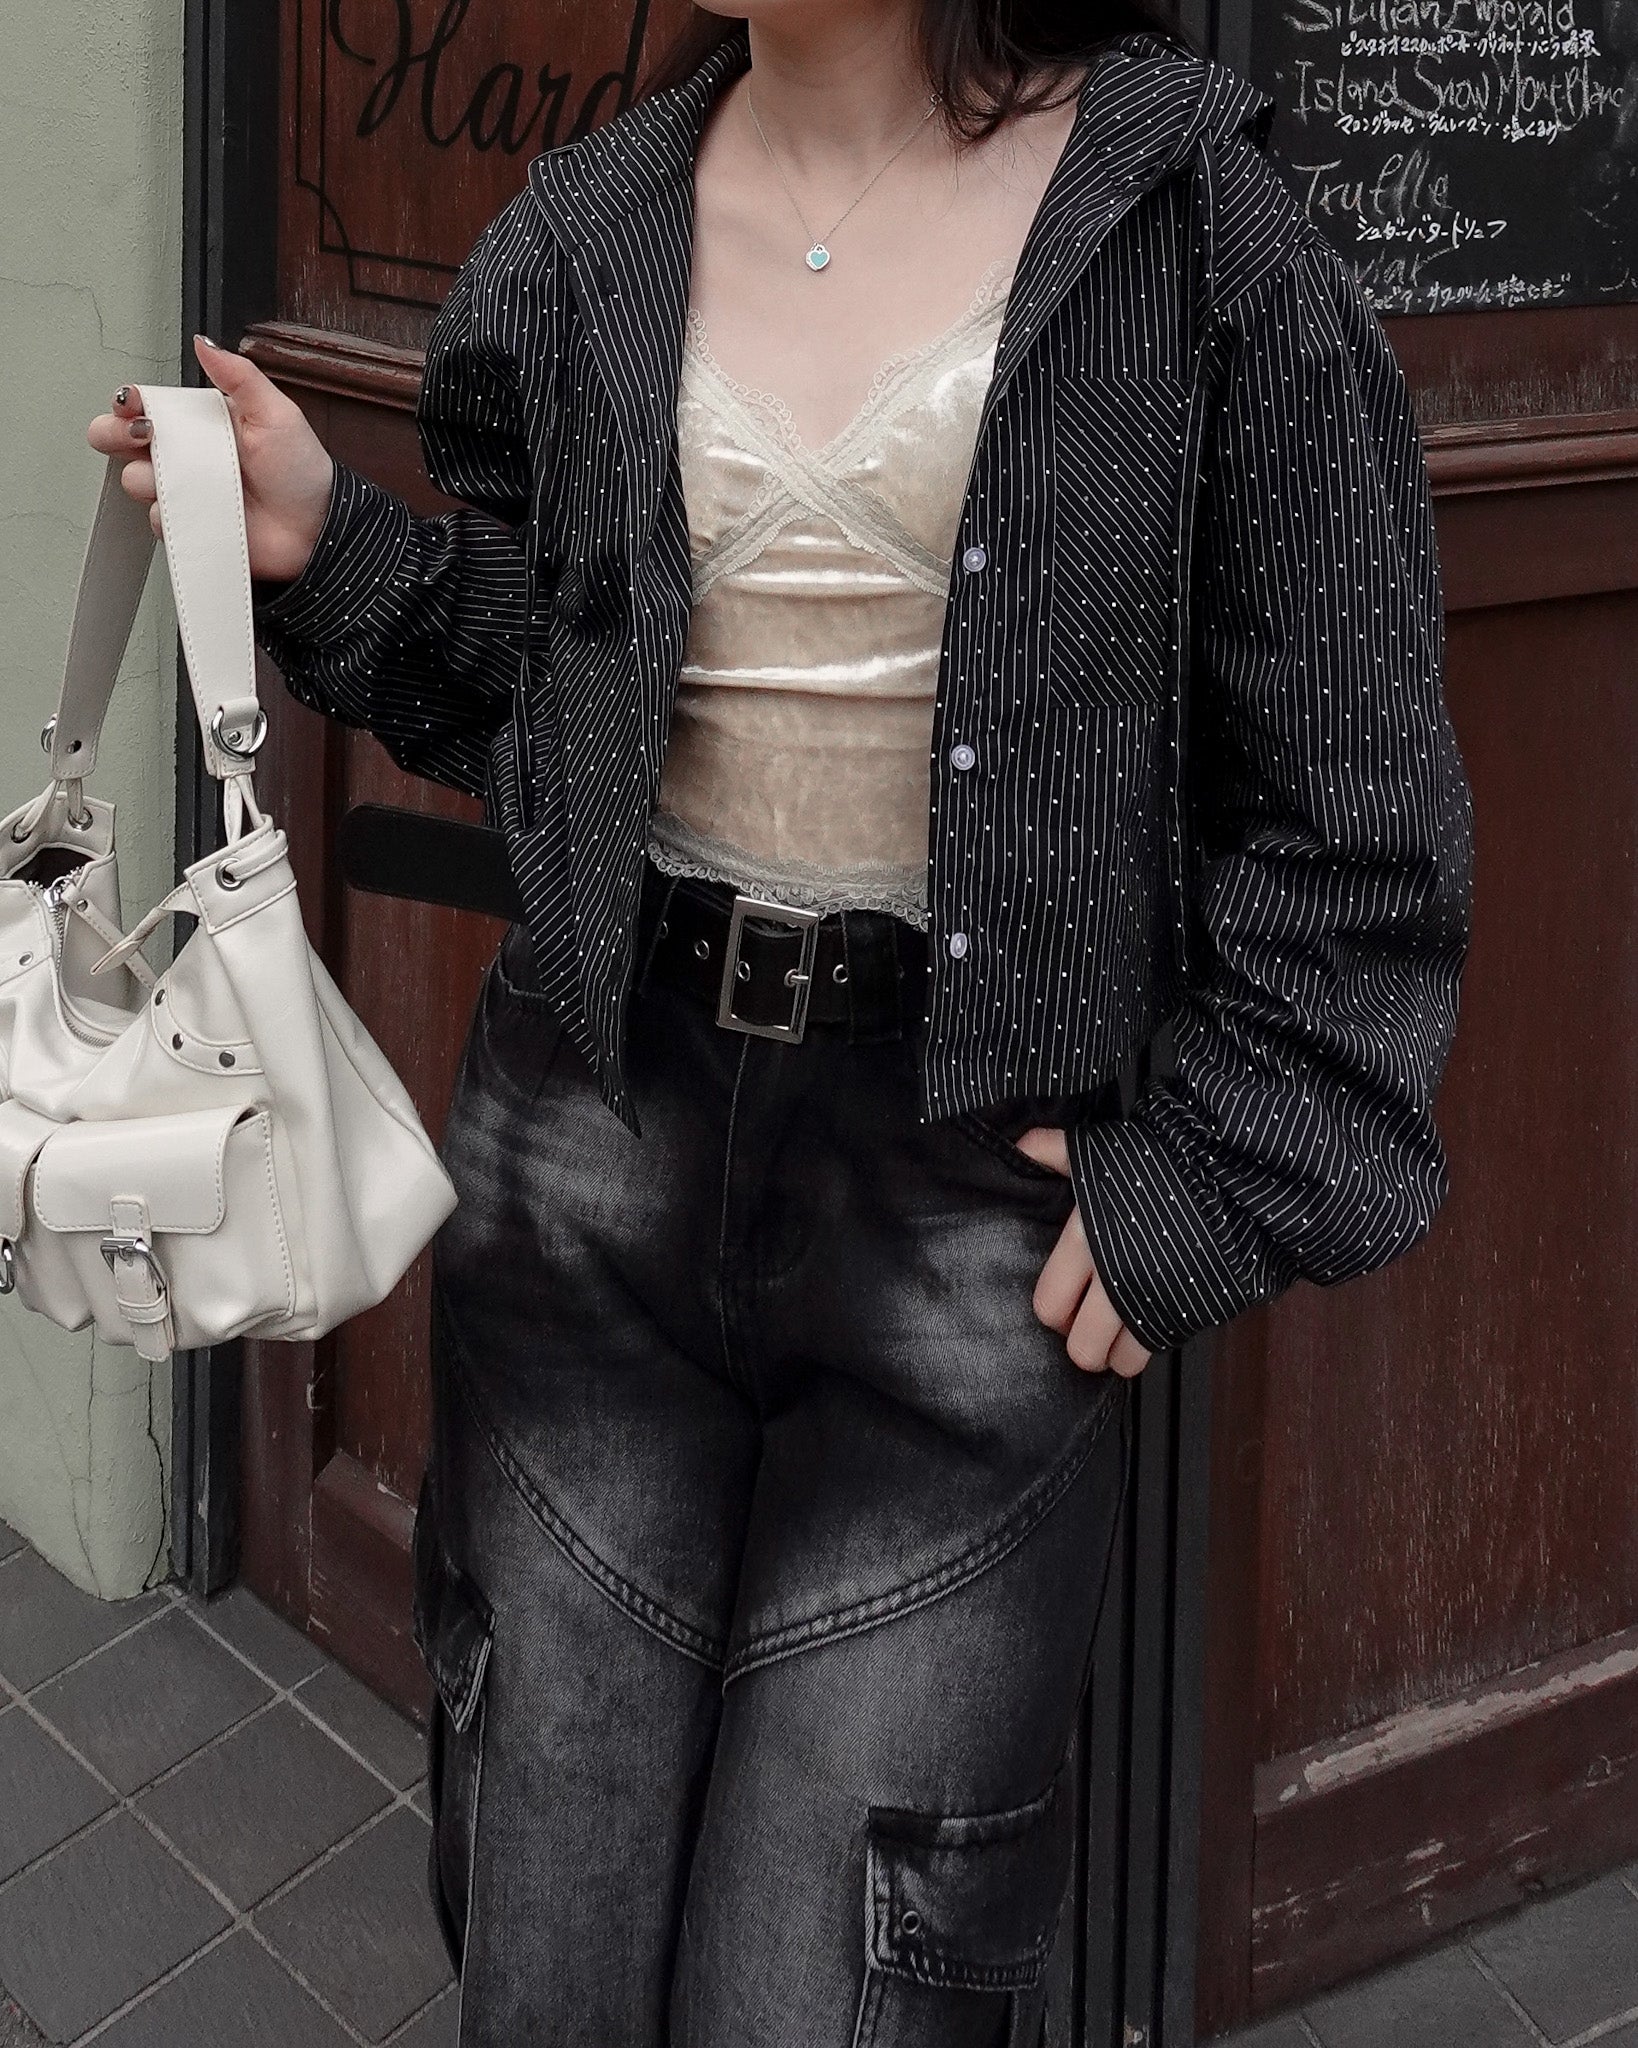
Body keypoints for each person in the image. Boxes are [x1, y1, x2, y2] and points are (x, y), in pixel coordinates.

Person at [90, 1, 1475, 2039]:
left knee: (835, 1980)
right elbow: (542, 682)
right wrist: (331, 540)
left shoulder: (1189, 226)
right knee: (549, 1949)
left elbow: (1358, 796)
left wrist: (1216, 1175)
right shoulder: (589, 224)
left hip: (966, 1202)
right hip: (592, 1156)